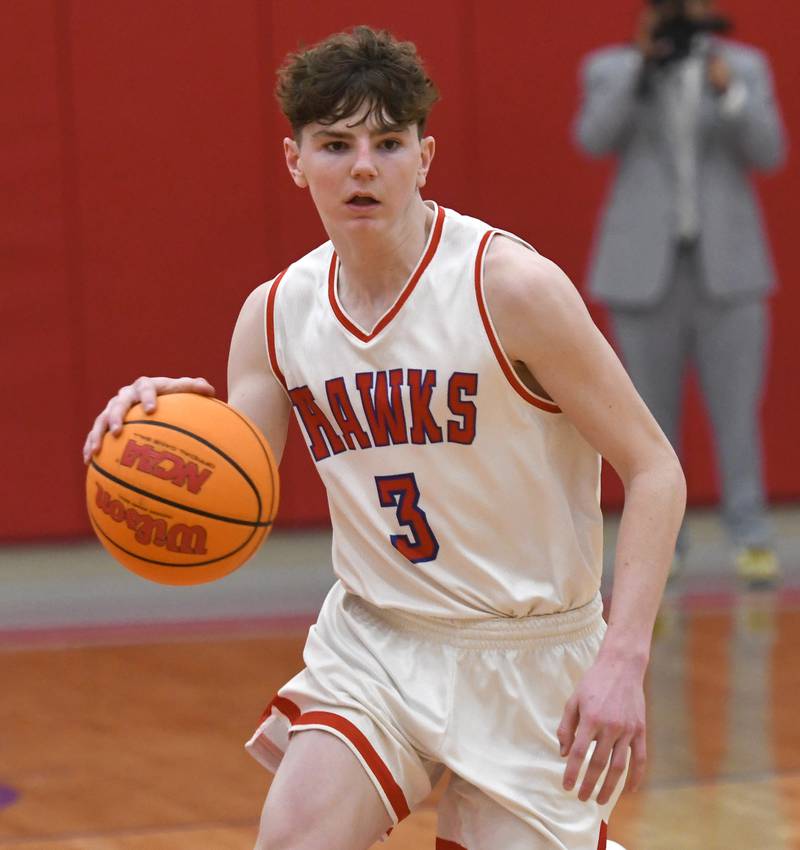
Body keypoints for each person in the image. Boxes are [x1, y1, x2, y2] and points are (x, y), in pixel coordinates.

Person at [83, 26, 685, 850]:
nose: (362, 167)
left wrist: (624, 659)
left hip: (531, 653)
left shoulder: (509, 288)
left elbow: (654, 468)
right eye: (334, 144)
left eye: (388, 143)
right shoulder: (274, 314)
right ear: (294, 159)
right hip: (377, 640)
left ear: (424, 157)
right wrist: (167, 426)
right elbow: (236, 485)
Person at [573, 0, 786, 585]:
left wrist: (730, 96)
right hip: (642, 272)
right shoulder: (611, 69)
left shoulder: (744, 67)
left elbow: (770, 151)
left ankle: (751, 535)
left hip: (731, 268)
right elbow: (593, 138)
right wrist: (642, 69)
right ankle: (663, 546)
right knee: (646, 422)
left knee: (737, 414)